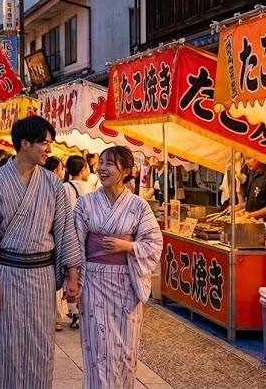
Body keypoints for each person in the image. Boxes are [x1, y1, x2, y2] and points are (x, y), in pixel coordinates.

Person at [0, 116, 82, 389]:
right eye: (44, 143)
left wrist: (72, 276)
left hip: (41, 276)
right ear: (25, 144)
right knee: (5, 343)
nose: (49, 149)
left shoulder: (53, 184)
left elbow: (65, 231)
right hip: (7, 274)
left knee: (41, 344)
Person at [74, 146, 163, 388]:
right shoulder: (85, 203)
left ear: (125, 171)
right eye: (101, 162)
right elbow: (74, 243)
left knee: (125, 350)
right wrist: (74, 280)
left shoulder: (138, 205)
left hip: (126, 283)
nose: (102, 168)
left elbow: (154, 242)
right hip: (93, 280)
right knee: (97, 349)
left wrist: (127, 246)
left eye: (109, 164)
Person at [59, 155, 95, 329]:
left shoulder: (63, 187)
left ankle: (73, 311)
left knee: (69, 273)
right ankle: (82, 311)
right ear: (82, 170)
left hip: (68, 233)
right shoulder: (91, 188)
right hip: (86, 235)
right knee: (83, 272)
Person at [235, 156, 266, 231]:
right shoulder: (252, 173)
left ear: (260, 157)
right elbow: (258, 200)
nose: (246, 162)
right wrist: (239, 206)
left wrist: (248, 216)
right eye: (246, 159)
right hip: (252, 228)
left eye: (249, 158)